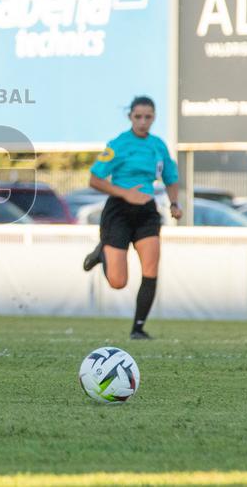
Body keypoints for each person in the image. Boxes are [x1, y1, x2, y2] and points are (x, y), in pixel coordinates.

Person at [82, 96, 182, 340]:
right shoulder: (118, 144)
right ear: (130, 117)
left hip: (147, 211)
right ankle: (102, 252)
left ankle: (138, 328)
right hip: (119, 210)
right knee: (118, 282)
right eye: (138, 117)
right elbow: (95, 179)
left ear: (154, 117)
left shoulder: (158, 145)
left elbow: (170, 177)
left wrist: (174, 203)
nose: (143, 121)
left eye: (148, 117)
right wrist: (125, 193)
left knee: (150, 269)